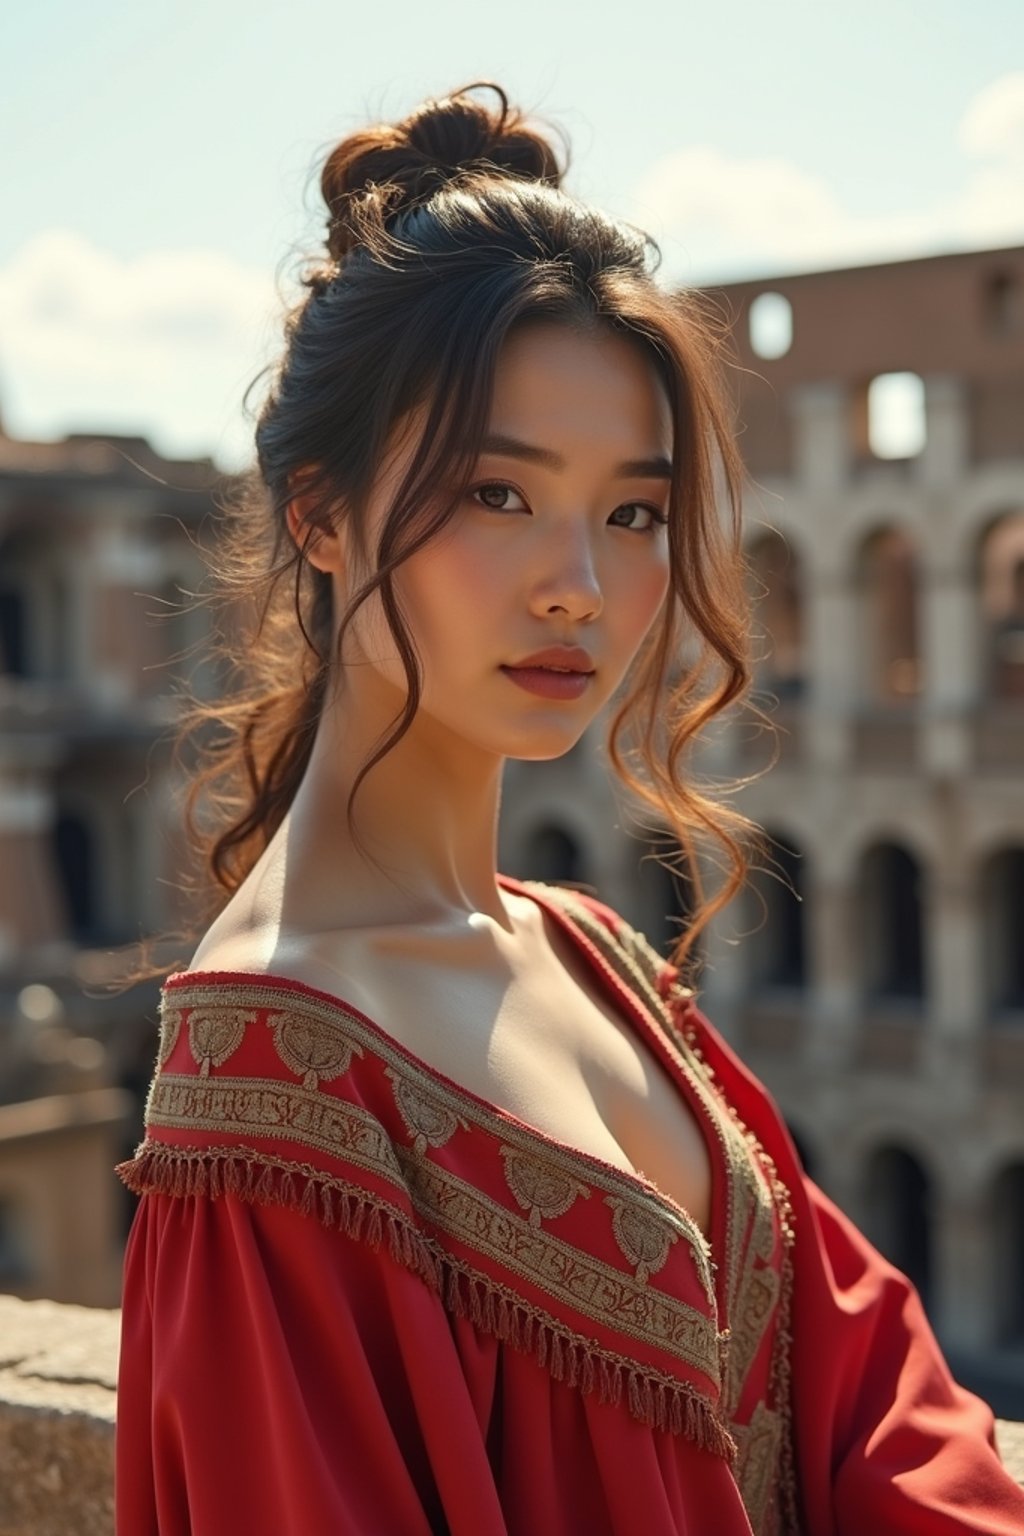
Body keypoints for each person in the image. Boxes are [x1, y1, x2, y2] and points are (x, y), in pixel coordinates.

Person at [113, 82, 1024, 1536]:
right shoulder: (271, 1090)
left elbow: (871, 1389)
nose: (580, 590)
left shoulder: (590, 950)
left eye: (634, 513)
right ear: (320, 514)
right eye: (496, 493)